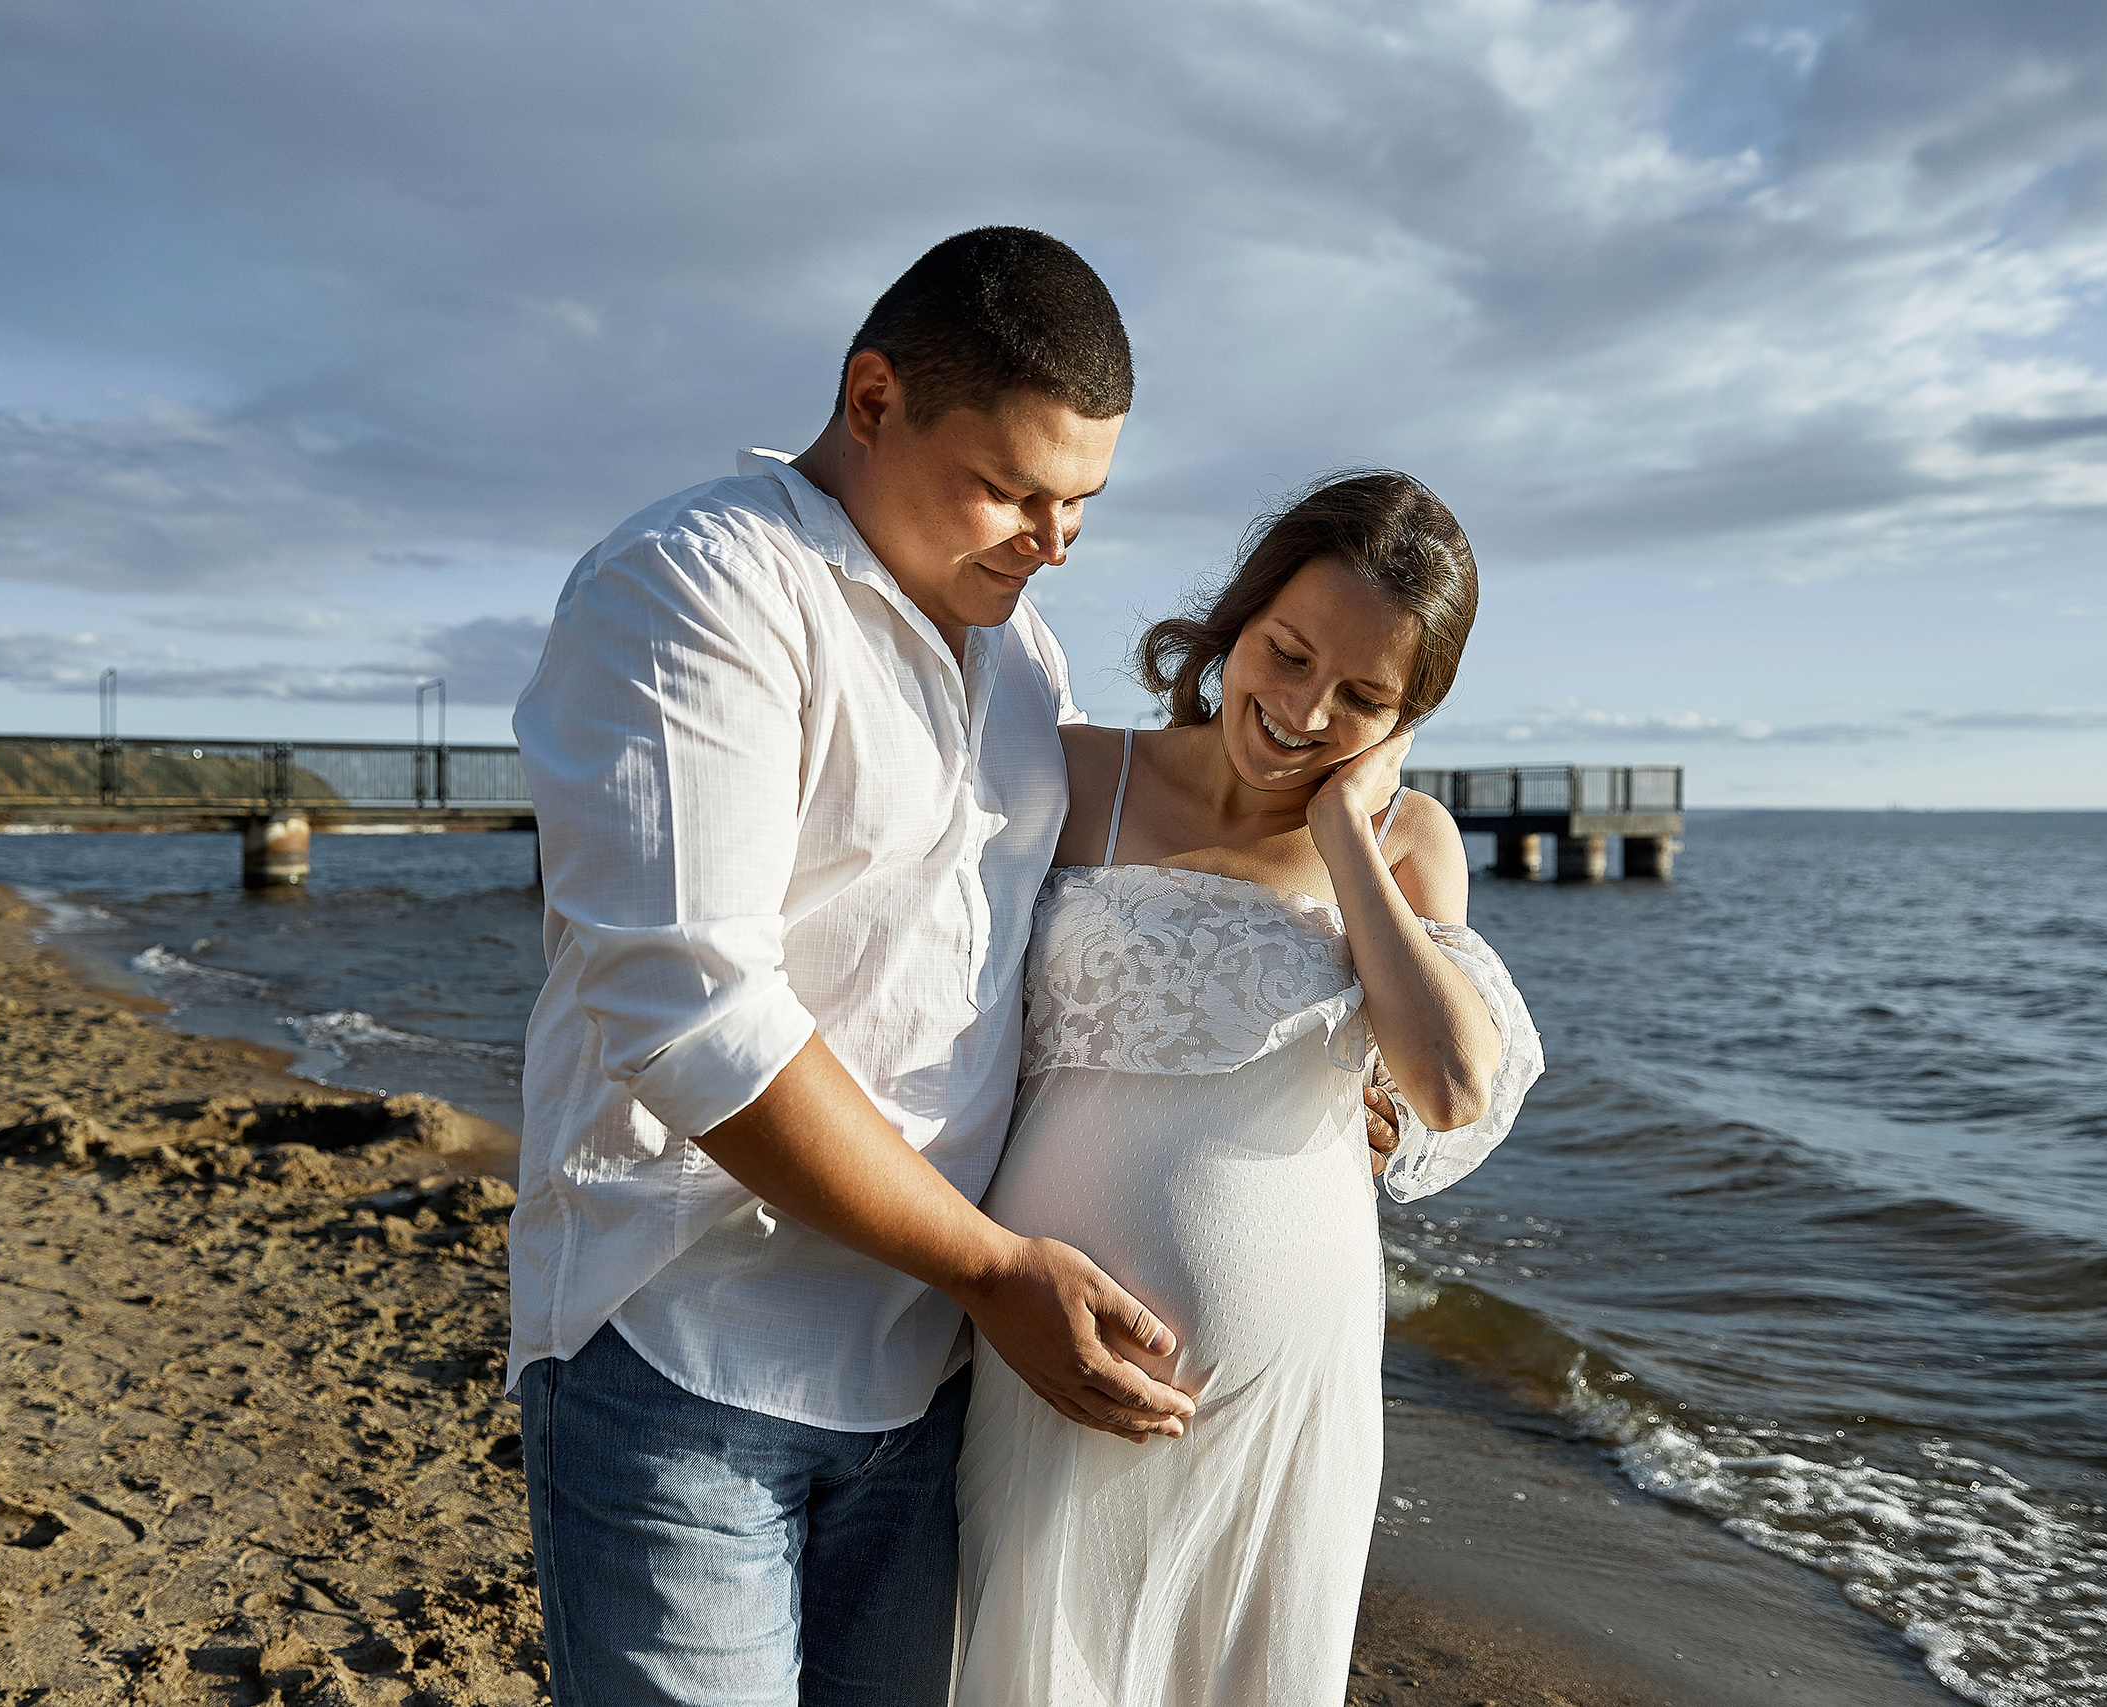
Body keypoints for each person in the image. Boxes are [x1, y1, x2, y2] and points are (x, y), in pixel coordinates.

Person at [507, 228, 1400, 1707]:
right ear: (873, 401)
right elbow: (691, 1015)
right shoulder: (697, 588)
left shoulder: (1020, 658)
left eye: (1084, 504)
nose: (1051, 540)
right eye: (1016, 487)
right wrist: (995, 1268)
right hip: (687, 1346)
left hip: (929, 1384)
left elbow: (1046, 962)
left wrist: (1289, 1069)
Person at [953, 471, 1547, 1707]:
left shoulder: (1405, 844)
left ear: (1406, 719)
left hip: (1287, 1393)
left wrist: (1345, 830)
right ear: (1238, 618)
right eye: (1286, 653)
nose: (1302, 708)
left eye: (1362, 697)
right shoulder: (1078, 775)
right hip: (1048, 1345)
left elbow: (1445, 1085)